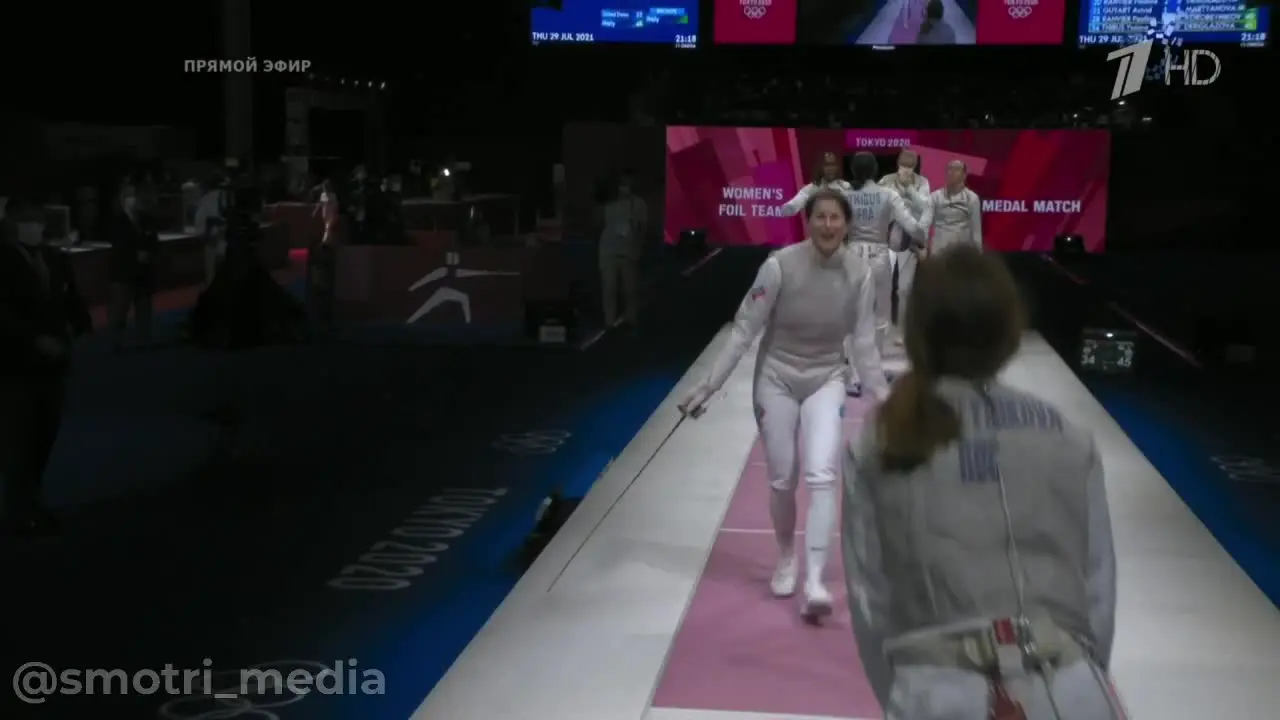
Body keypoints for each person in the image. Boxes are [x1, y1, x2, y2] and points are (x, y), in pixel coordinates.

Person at [842, 245, 1122, 719]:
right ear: (1008, 328)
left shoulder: (881, 440)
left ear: (918, 328)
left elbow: (871, 602)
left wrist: (908, 690)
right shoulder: (1070, 437)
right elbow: (1098, 593)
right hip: (1071, 691)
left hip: (937, 692)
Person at [679, 188, 889, 620]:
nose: (828, 225)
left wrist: (883, 396)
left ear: (847, 224)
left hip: (827, 376)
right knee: (782, 479)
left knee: (822, 473)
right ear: (808, 221)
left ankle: (815, 581)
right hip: (776, 377)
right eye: (820, 217)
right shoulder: (778, 266)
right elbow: (743, 330)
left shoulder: (861, 273)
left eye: (835, 218)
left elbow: (865, 343)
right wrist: (709, 386)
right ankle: (786, 556)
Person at [0, 198, 91, 534]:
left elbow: (70, 298)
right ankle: (17, 512)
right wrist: (33, 339)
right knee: (18, 441)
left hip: (53, 364)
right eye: (25, 219)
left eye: (36, 218)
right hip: (14, 366)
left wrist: (81, 327)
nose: (33, 225)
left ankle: (33, 502)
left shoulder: (54, 257)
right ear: (11, 222)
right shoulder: (2, 259)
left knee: (44, 437)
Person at [847, 152, 928, 391]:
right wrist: (922, 239)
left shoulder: (845, 195)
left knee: (853, 314)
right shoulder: (888, 194)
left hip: (852, 255)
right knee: (880, 317)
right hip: (879, 256)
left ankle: (854, 376)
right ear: (874, 171)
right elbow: (911, 225)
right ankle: (874, 370)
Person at [879, 149, 931, 335]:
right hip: (886, 239)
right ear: (897, 165)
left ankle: (902, 330)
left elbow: (925, 207)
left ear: (915, 167)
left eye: (910, 167)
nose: (906, 171)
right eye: (903, 166)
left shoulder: (922, 182)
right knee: (883, 285)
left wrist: (909, 189)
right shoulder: (886, 180)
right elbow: (878, 205)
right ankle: (882, 325)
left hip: (910, 241)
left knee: (904, 288)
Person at [105, 183, 157, 341]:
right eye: (129, 196)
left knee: (144, 310)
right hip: (123, 274)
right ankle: (114, 342)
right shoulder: (115, 220)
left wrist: (148, 253)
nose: (133, 199)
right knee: (118, 312)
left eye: (134, 195)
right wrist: (135, 255)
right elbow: (118, 246)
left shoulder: (146, 218)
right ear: (122, 199)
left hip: (143, 273)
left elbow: (154, 240)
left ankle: (144, 339)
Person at [597, 171, 647, 329]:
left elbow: (642, 229)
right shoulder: (609, 204)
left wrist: (638, 249)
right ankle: (609, 322)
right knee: (609, 288)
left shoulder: (638, 204)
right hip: (608, 252)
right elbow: (600, 225)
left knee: (629, 289)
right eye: (621, 184)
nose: (623, 188)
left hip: (628, 253)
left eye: (627, 184)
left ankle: (631, 321)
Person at [923, 160, 984, 253]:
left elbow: (976, 230)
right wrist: (923, 247)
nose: (952, 172)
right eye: (950, 169)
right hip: (938, 251)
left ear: (964, 175)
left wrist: (978, 253)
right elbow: (925, 225)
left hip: (960, 252)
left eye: (957, 169)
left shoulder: (972, 198)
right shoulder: (934, 197)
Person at [779, 151, 853, 216]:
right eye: (827, 165)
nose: (830, 168)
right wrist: (788, 208)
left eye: (833, 165)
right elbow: (793, 205)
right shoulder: (811, 188)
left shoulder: (846, 186)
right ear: (820, 167)